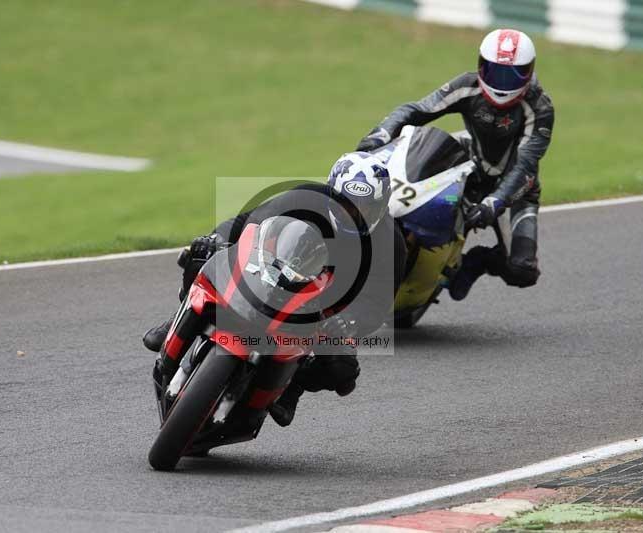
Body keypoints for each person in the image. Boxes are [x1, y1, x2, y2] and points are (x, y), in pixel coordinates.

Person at [143, 152, 407, 426]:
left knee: (343, 372)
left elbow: (377, 304)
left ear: (382, 205)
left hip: (324, 309)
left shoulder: (391, 243)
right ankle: (176, 320)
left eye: (364, 209)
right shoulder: (304, 197)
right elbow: (246, 221)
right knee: (200, 255)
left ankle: (292, 387)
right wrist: (216, 239)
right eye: (346, 206)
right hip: (271, 272)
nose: (353, 215)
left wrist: (348, 322)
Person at [356, 29, 554, 300]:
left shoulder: (540, 108)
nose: (502, 82)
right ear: (480, 66)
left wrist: (494, 202)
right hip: (469, 162)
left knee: (522, 270)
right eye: (494, 71)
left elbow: (526, 165)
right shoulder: (467, 85)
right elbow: (417, 110)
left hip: (516, 187)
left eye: (511, 75)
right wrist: (380, 134)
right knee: (403, 194)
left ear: (528, 72)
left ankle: (478, 260)